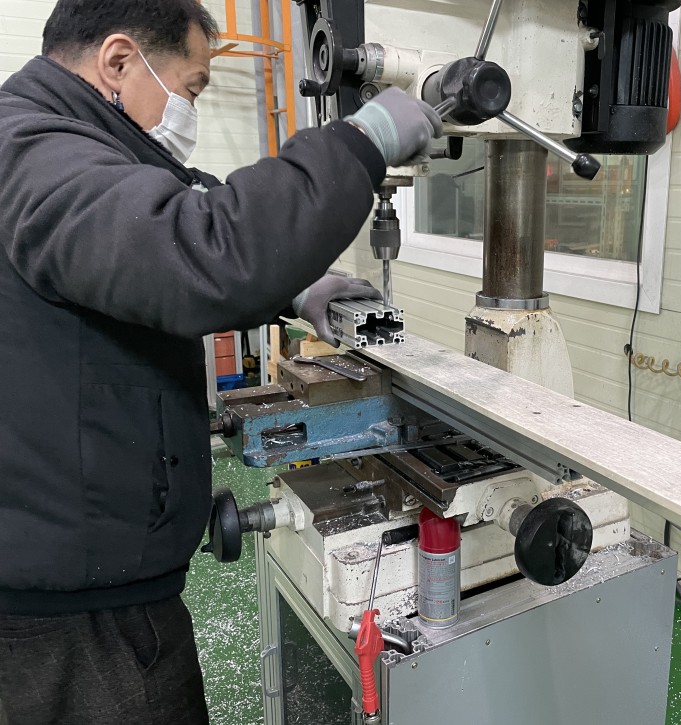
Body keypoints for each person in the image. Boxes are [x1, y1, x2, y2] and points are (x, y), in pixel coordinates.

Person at [0, 1, 441, 723]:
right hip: (74, 629)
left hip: (90, 580)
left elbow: (165, 220)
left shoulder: (59, 143)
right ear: (118, 61)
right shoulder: (31, 151)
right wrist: (363, 143)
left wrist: (294, 289)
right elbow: (199, 248)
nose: (190, 109)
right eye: (192, 87)